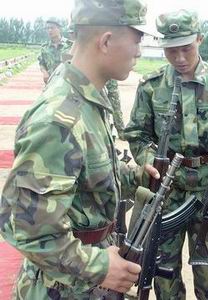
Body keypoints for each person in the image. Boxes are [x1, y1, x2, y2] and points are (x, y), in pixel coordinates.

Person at [0, 0, 159, 298]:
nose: (139, 51)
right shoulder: (59, 118)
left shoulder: (88, 99)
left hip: (82, 276)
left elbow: (86, 176)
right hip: (62, 287)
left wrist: (135, 176)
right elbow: (28, 230)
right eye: (137, 40)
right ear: (107, 41)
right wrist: (101, 267)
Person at [124, 9, 208, 300]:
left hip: (207, 189)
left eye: (186, 49)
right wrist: (149, 161)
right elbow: (137, 134)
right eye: (171, 50)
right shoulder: (151, 87)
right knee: (163, 273)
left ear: (200, 40)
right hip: (166, 191)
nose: (179, 58)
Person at [38, 18, 73, 84]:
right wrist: (44, 73)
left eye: (52, 28)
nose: (49, 30)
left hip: (67, 82)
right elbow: (41, 63)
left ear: (59, 29)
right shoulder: (44, 47)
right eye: (47, 28)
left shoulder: (70, 45)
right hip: (51, 82)